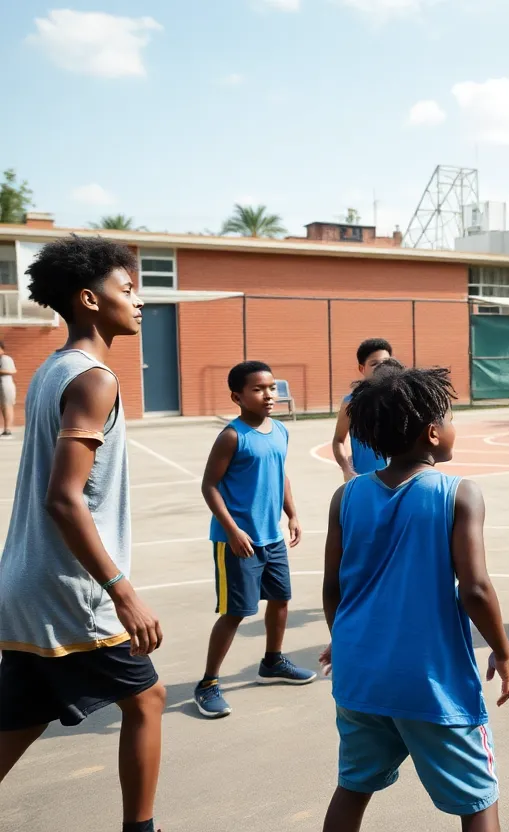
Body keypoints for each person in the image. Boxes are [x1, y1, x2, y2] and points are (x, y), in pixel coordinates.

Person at [0, 236, 166, 832]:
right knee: (147, 699)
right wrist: (122, 590)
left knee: (20, 716)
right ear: (90, 300)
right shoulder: (95, 380)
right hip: (69, 588)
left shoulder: (52, 370)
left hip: (24, 581)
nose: (140, 301)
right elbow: (65, 499)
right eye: (128, 289)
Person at [319, 365, 509, 832]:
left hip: (360, 675)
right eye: (449, 418)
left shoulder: (346, 497)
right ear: (432, 432)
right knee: (477, 801)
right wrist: (504, 652)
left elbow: (333, 589)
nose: (453, 428)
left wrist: (343, 638)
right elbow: (475, 588)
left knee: (353, 786)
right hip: (431, 682)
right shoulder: (458, 492)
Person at [193, 360, 314, 719]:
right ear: (237, 396)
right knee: (236, 612)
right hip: (237, 540)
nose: (268, 395)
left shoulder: (279, 430)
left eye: (272, 388)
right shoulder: (232, 436)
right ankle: (208, 683)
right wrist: (231, 529)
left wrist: (292, 514)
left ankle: (272, 662)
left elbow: (281, 475)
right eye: (259, 389)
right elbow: (209, 485)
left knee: (281, 600)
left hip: (270, 536)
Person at [332, 337, 394, 480]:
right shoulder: (351, 402)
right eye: (374, 363)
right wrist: (346, 469)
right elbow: (338, 440)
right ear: (362, 368)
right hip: (365, 479)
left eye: (386, 363)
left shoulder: (401, 400)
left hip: (398, 481)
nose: (381, 368)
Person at [0, 339, 16, 438]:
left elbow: (12, 371)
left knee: (7, 406)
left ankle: (8, 430)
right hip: (1, 385)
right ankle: (5, 429)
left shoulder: (5, 359)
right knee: (3, 407)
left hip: (6, 385)